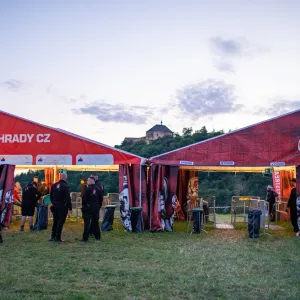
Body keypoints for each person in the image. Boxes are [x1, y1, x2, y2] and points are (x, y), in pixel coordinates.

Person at [49, 173, 72, 242]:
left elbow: (51, 196)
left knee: (55, 221)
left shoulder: (54, 185)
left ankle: (52, 236)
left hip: (55, 206)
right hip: (62, 206)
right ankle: (58, 237)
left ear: (60, 177)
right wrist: (70, 208)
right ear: (66, 178)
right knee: (60, 222)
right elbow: (68, 198)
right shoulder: (66, 186)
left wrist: (54, 203)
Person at [81, 176, 103, 242]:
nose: (87, 182)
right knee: (95, 222)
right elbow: (101, 199)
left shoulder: (87, 189)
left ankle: (85, 238)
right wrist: (98, 206)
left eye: (88, 180)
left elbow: (84, 199)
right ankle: (97, 236)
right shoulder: (99, 189)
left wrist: (84, 207)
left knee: (87, 223)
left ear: (91, 181)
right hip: (96, 208)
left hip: (88, 208)